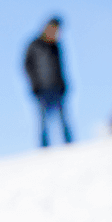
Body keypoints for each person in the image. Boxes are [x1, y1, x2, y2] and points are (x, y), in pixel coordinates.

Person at [24, 17, 73, 147]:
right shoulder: (35, 45)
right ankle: (44, 147)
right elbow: (27, 66)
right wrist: (35, 85)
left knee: (63, 119)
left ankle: (69, 144)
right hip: (42, 89)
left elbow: (61, 67)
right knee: (43, 121)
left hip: (57, 87)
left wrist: (63, 85)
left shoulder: (56, 46)